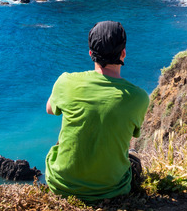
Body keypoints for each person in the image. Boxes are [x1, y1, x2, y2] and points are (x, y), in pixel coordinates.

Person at [45, 21, 150, 201]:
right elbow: (132, 133)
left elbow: (50, 109)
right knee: (133, 156)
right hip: (113, 189)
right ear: (123, 53)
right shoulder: (139, 97)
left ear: (91, 54)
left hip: (60, 185)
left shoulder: (66, 81)